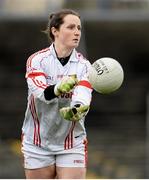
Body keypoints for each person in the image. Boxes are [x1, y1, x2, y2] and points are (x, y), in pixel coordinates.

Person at [21, 9, 93, 179]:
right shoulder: (37, 60)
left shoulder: (84, 66)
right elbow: (41, 93)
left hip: (71, 142)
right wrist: (58, 88)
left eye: (79, 28)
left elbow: (83, 94)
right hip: (37, 142)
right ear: (55, 31)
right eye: (71, 27)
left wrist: (77, 109)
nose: (77, 32)